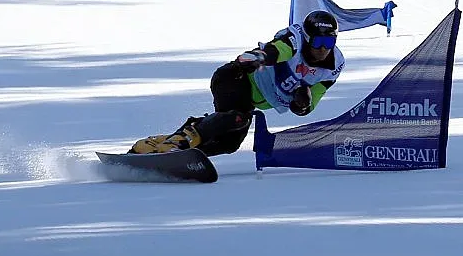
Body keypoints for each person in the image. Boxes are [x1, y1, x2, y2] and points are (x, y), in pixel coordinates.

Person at [130, 10, 345, 157]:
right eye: (318, 41)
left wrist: (302, 103)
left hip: (251, 99)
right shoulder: (295, 39)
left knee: (228, 144)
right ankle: (177, 145)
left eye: (329, 42)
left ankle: (160, 147)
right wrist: (260, 58)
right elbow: (278, 50)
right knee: (236, 118)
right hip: (235, 78)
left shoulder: (333, 66)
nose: (323, 48)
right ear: (308, 38)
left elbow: (309, 104)